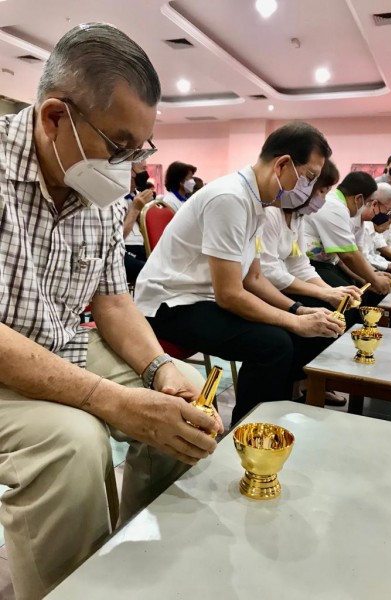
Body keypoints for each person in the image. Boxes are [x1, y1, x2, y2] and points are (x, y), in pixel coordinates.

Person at [0, 23, 222, 600]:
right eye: (119, 146)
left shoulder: (94, 187)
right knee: (72, 445)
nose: (128, 168)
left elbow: (113, 300)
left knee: (185, 407)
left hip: (58, 346)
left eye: (140, 150)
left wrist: (160, 370)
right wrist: (111, 400)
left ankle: (144, 572)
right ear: (55, 117)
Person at [135, 122, 344, 425]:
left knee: (288, 335)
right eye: (309, 177)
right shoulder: (230, 198)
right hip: (169, 305)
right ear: (283, 164)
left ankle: (271, 422)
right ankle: (248, 433)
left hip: (201, 298)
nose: (309, 188)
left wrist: (298, 310)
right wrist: (295, 321)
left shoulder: (258, 202)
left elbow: (253, 279)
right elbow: (230, 294)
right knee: (274, 343)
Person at [259, 159, 360, 407]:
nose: (323, 199)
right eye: (321, 191)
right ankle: (293, 389)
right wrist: (323, 295)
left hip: (281, 282)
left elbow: (300, 264)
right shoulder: (270, 213)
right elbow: (268, 272)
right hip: (264, 288)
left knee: (338, 308)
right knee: (307, 320)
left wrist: (331, 291)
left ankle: (308, 382)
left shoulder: (297, 217)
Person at [303, 174, 391, 300]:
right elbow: (348, 255)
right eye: (368, 203)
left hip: (327, 263)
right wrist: (374, 279)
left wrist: (370, 276)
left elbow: (355, 253)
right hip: (313, 264)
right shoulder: (335, 207)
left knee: (357, 292)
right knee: (350, 299)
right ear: (358, 199)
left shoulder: (342, 207)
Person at [123, 162, 156, 283]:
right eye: (142, 168)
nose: (145, 172)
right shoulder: (115, 198)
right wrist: (135, 210)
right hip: (125, 247)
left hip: (142, 245)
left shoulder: (139, 195)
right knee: (153, 273)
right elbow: (118, 237)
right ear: (130, 172)